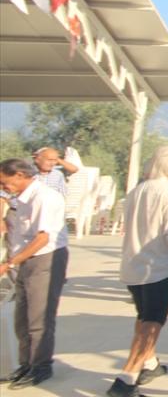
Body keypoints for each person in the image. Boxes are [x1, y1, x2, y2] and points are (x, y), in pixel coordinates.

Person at [108, 145, 168, 397]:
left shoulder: (137, 190)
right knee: (152, 323)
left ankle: (150, 363)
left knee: (144, 316)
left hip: (133, 266)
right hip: (158, 267)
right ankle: (126, 378)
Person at [0, 158, 70, 390]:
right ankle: (26, 364)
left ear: (20, 175)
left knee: (39, 318)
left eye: (4, 181)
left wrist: (9, 264)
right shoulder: (20, 199)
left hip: (45, 259)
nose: (3, 186)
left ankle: (41, 366)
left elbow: (43, 238)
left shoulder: (45, 197)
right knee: (22, 318)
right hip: (24, 259)